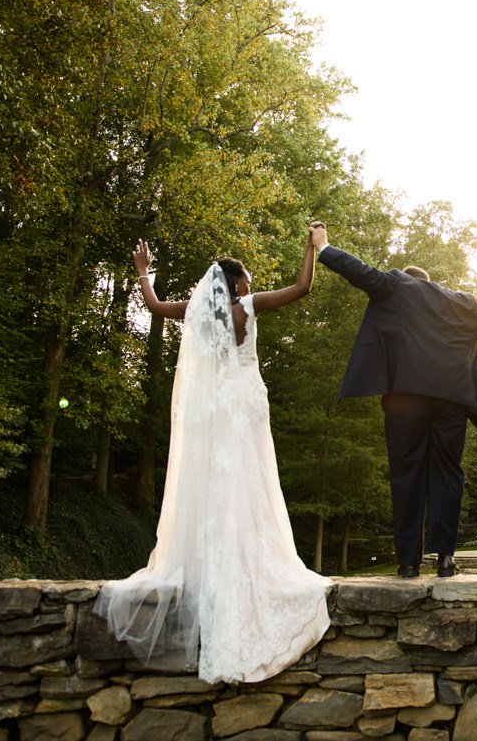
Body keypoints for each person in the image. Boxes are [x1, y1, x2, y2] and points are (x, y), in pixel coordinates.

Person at [95, 226, 330, 684]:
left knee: (216, 487)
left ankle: (211, 570)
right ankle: (250, 570)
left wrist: (144, 274)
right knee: (251, 485)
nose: (250, 282)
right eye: (248, 277)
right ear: (237, 283)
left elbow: (155, 308)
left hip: (215, 413)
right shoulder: (248, 305)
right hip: (244, 407)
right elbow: (303, 287)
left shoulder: (198, 313)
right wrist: (310, 246)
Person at [312, 223, 477, 578]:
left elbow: (360, 272)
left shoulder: (398, 285)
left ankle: (408, 562)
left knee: (406, 473)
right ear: (430, 282)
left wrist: (323, 247)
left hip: (407, 398)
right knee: (447, 473)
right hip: (452, 399)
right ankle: (445, 558)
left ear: (407, 277)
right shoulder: (462, 301)